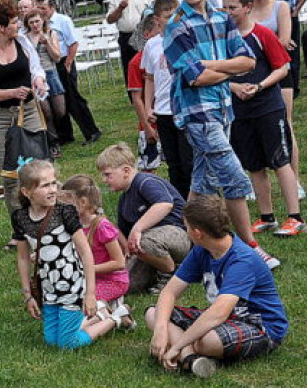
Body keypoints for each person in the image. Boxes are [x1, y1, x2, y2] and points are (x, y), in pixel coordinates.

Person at [164, 0, 279, 270]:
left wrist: (212, 66)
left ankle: (192, 248)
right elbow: (195, 77)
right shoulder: (175, 27)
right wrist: (227, 69)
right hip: (197, 114)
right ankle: (250, 249)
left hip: (224, 109)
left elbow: (249, 62)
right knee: (233, 178)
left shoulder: (221, 18)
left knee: (201, 184)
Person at [147, 194, 287, 378]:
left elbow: (219, 312)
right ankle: (192, 360)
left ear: (197, 233)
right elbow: (169, 292)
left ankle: (183, 352)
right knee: (153, 313)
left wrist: (177, 345)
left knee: (207, 341)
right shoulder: (202, 250)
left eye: (186, 227)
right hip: (222, 319)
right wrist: (160, 330)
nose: (185, 230)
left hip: (259, 325)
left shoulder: (241, 260)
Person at [222, 0, 304, 237]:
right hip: (241, 113)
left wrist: (259, 86)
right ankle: (267, 216)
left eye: (232, 8)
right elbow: (219, 74)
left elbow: (283, 68)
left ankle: (294, 217)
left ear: (247, 7)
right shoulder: (223, 40)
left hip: (268, 108)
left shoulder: (262, 34)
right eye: (224, 8)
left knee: (280, 161)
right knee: (255, 165)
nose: (228, 13)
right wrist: (235, 87)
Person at [12, 160, 116, 349]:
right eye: (45, 186)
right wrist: (28, 295)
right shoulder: (20, 217)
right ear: (26, 192)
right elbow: (23, 257)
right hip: (48, 288)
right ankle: (100, 314)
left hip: (72, 286)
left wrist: (90, 293)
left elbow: (85, 253)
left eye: (53, 183)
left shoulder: (64, 212)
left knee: (67, 344)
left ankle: (115, 319)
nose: (52, 189)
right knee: (51, 341)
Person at [0, 0, 47, 241]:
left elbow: (36, 68)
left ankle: (46, 222)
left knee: (39, 168)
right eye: (14, 23)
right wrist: (12, 92)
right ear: (1, 27)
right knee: (10, 176)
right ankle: (20, 230)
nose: (18, 26)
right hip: (1, 117)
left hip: (29, 112)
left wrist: (38, 80)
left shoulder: (23, 43)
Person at [98, 142, 191, 294]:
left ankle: (173, 273)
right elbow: (125, 239)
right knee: (127, 284)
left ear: (126, 171)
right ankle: (159, 271)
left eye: (108, 174)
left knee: (142, 241)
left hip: (180, 236)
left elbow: (165, 204)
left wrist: (138, 228)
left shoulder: (145, 182)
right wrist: (104, 222)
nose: (104, 180)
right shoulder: (124, 200)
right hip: (151, 244)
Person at [60, 174, 134, 330]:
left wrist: (88, 269)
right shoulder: (74, 224)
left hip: (113, 280)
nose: (62, 209)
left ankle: (114, 315)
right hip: (88, 279)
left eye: (66, 204)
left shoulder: (101, 226)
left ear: (82, 202)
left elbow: (119, 262)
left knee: (82, 303)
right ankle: (114, 310)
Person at [249, 0, 300, 177]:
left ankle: (294, 177)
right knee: (252, 127)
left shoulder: (281, 6)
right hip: (253, 74)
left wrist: (257, 54)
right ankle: (258, 175)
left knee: (285, 123)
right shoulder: (246, 9)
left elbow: (284, 40)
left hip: (279, 71)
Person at [143, 0, 194, 197]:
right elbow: (149, 78)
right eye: (167, 16)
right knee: (173, 162)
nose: (172, 20)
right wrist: (149, 106)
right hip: (163, 109)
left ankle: (198, 200)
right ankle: (181, 202)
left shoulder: (187, 38)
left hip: (184, 107)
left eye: (176, 15)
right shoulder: (152, 45)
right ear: (157, 20)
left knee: (188, 158)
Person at [36, 0, 101, 147]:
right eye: (39, 8)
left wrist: (69, 63)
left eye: (43, 8)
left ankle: (91, 131)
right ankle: (65, 134)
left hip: (64, 62)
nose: (41, 11)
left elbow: (73, 43)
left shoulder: (62, 21)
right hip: (50, 65)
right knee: (58, 101)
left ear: (52, 7)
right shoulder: (41, 23)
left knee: (73, 99)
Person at [266, 0, 307, 97]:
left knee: (293, 53)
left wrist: (297, 9)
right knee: (274, 51)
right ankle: (276, 83)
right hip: (272, 19)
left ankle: (293, 87)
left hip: (290, 17)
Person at [23, 9, 64, 159]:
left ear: (43, 21)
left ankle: (60, 135)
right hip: (35, 77)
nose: (35, 25)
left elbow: (57, 57)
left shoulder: (51, 33)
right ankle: (53, 144)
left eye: (37, 21)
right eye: (31, 22)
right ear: (27, 24)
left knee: (60, 111)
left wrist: (47, 43)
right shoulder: (25, 38)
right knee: (45, 112)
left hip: (51, 74)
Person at [127, 15, 161, 174]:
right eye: (158, 30)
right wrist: (147, 126)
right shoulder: (136, 63)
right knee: (149, 166)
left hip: (170, 116)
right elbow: (136, 98)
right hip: (150, 121)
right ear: (147, 35)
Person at [106, 0, 155, 75]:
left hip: (144, 35)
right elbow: (109, 20)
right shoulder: (116, 0)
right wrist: (120, 8)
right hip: (126, 38)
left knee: (147, 67)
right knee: (129, 69)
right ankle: (132, 90)